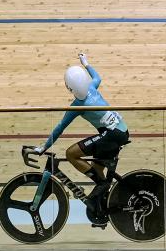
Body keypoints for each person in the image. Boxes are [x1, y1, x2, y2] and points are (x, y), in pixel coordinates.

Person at [31, 53, 130, 219]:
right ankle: (101, 205)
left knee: (71, 154)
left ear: (69, 88)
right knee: (98, 169)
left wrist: (44, 147)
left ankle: (103, 186)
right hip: (121, 130)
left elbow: (59, 128)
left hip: (110, 135)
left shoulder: (77, 106)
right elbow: (97, 77)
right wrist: (87, 64)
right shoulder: (92, 87)